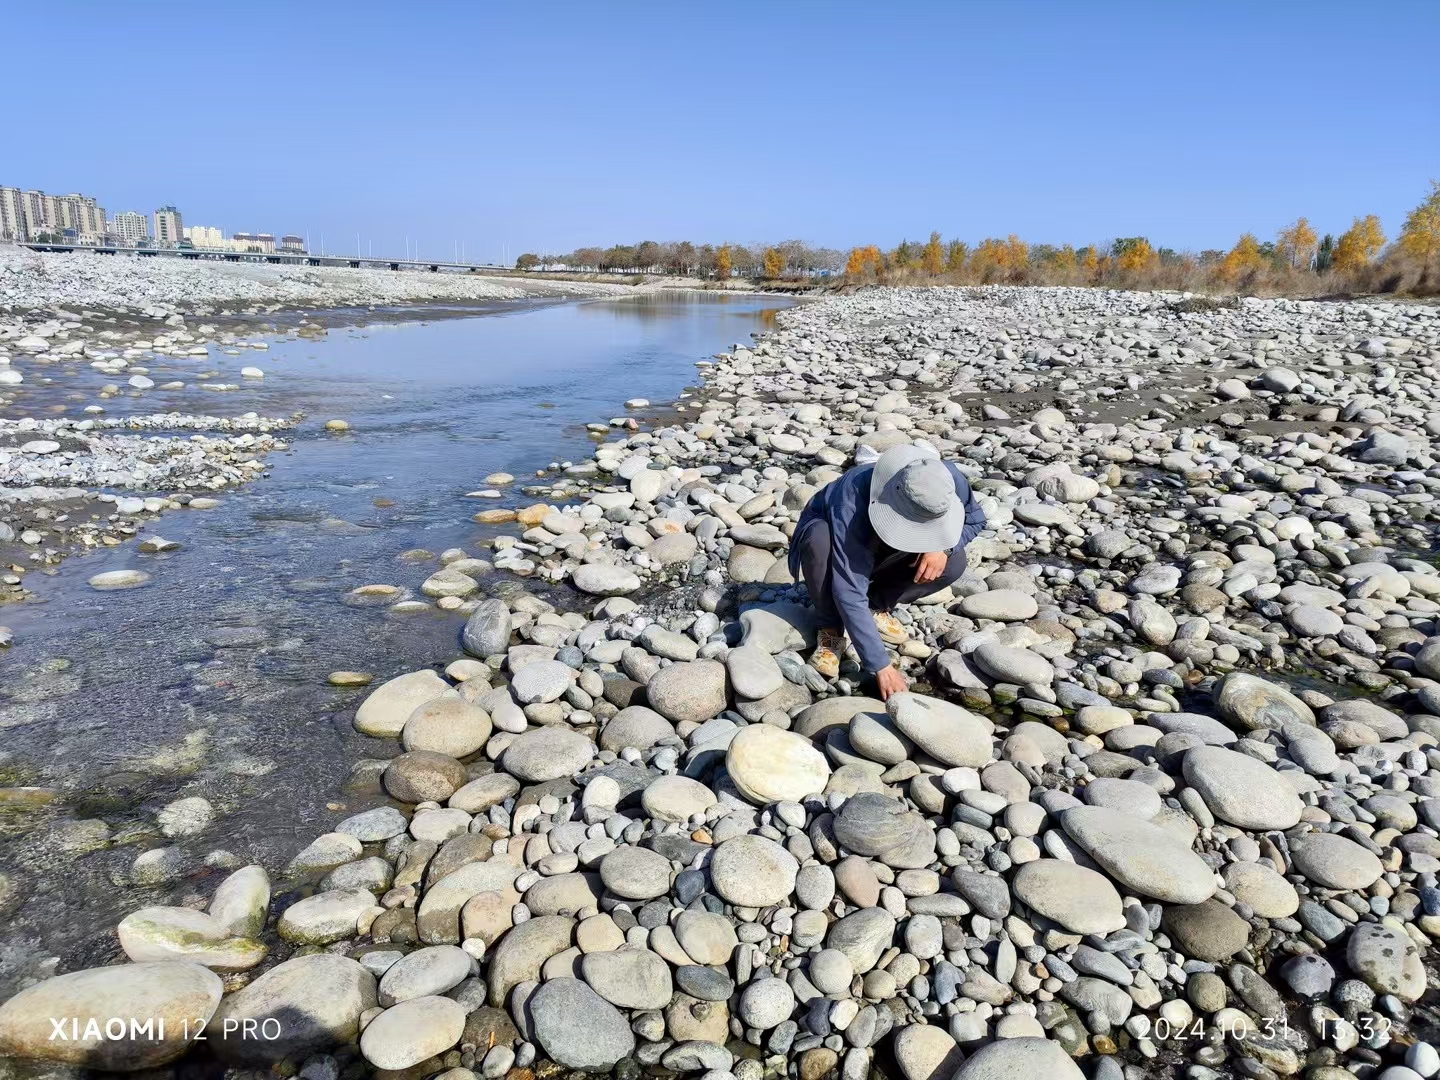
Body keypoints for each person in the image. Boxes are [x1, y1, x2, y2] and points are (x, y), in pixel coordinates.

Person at [788, 443, 987, 699]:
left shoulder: (948, 480)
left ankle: (876, 605)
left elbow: (976, 519)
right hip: (831, 532)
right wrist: (880, 665)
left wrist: (944, 548)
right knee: (820, 543)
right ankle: (831, 630)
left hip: (884, 547)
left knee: (954, 562)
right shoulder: (851, 500)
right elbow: (848, 589)